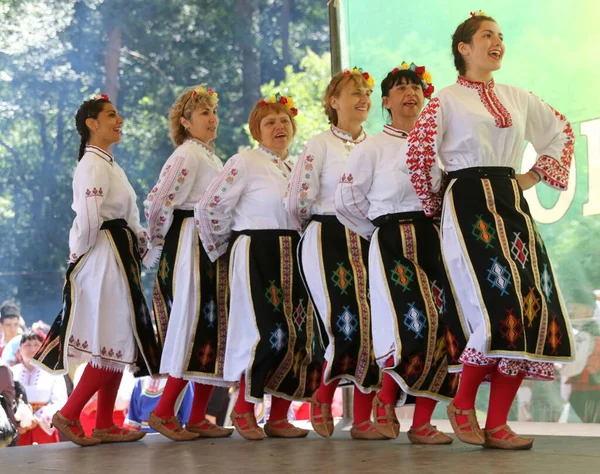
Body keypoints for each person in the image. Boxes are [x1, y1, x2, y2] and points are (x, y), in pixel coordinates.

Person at [406, 11, 575, 450]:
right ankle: (463, 404)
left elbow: (561, 131)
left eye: (501, 36)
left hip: (510, 199)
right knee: (495, 305)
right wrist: (437, 202)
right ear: (464, 48)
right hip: (467, 204)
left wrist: (532, 177)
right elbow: (420, 154)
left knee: (531, 306)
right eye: (487, 36)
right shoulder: (444, 99)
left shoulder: (518, 96)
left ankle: (497, 423)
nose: (497, 42)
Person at [335, 62, 467, 444]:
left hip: (432, 240)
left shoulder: (439, 147)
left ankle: (422, 422)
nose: (411, 93)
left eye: (417, 88)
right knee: (410, 326)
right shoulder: (372, 146)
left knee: (445, 328)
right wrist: (378, 234)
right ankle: (385, 402)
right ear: (387, 101)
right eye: (401, 88)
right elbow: (347, 201)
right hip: (391, 241)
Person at [34, 95, 161, 446]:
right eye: (110, 115)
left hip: (118, 254)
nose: (119, 120)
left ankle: (104, 422)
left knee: (120, 341)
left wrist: (141, 241)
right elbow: (88, 219)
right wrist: (80, 257)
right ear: (91, 123)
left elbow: (129, 216)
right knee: (113, 339)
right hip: (104, 256)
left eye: (118, 114)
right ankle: (69, 414)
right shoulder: (92, 164)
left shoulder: (109, 165)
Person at [196, 94, 322, 440]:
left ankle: (279, 416)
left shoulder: (296, 167)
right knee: (262, 333)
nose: (279, 126)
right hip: (257, 252)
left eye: (284, 120)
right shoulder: (245, 161)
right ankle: (243, 410)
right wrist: (223, 246)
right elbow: (209, 207)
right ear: (257, 130)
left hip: (293, 252)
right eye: (270, 122)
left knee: (298, 335)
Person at [285, 67, 383, 440]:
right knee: (344, 323)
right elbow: (296, 200)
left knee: (372, 324)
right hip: (327, 236)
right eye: (353, 92)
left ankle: (363, 419)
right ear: (333, 101)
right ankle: (322, 397)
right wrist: (312, 233)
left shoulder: (374, 145)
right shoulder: (320, 144)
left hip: (368, 239)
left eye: (366, 93)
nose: (362, 98)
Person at [144, 86, 233, 441]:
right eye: (203, 113)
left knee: (212, 327)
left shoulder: (209, 156)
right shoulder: (187, 155)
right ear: (185, 122)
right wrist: (155, 244)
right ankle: (164, 412)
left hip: (208, 246)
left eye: (213, 111)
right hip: (190, 244)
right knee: (191, 323)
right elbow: (158, 200)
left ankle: (198, 416)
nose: (212, 118)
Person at [12, 331, 67, 445]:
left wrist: (36, 419)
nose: (32, 349)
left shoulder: (53, 372)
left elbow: (60, 402)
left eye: (36, 345)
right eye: (27, 345)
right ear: (19, 351)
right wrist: (18, 421)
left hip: (44, 429)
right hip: (18, 430)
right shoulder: (11, 373)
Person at [125, 376, 194, 432]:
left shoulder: (183, 382)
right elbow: (133, 420)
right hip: (144, 442)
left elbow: (187, 417)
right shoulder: (140, 381)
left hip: (172, 439)